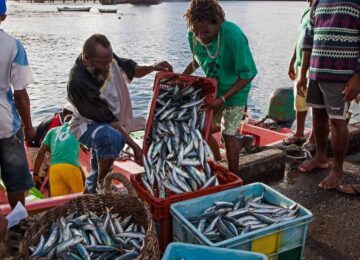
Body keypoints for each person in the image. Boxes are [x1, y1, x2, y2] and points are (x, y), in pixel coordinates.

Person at [67, 34, 173, 193]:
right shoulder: (78, 83)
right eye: (104, 63)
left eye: (110, 61)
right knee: (111, 138)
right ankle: (102, 185)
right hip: (87, 125)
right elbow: (110, 122)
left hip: (111, 122)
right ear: (87, 59)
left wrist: (153, 66)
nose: (109, 66)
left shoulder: (106, 58)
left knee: (103, 153)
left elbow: (133, 70)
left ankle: (92, 190)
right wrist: (135, 147)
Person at [183, 0, 257, 174]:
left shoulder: (233, 36)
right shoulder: (193, 35)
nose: (201, 36)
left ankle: (233, 177)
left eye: (205, 31)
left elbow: (249, 74)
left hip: (235, 89)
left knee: (228, 134)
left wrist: (223, 99)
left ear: (217, 22)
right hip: (213, 89)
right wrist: (183, 76)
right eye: (196, 31)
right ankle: (217, 163)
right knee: (202, 128)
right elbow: (198, 59)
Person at [297, 0, 360, 189]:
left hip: (342, 75)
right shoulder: (318, 2)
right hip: (316, 72)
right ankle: (321, 157)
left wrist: (357, 77)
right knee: (317, 115)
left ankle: (338, 170)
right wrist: (302, 73)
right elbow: (309, 37)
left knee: (337, 121)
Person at [0, 0, 35, 209]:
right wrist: (29, 127)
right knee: (15, 182)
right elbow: (20, 93)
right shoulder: (13, 45)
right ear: (3, 16)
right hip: (5, 125)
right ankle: (17, 224)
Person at [284, 0, 315, 148]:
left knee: (317, 103)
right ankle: (299, 133)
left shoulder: (321, 10)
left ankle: (314, 137)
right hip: (300, 65)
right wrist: (292, 61)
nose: (308, 1)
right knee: (299, 100)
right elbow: (300, 38)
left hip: (314, 65)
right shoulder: (305, 12)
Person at [32, 116, 84, 197]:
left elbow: (41, 153)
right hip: (72, 168)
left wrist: (35, 174)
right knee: (81, 197)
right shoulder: (78, 130)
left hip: (54, 169)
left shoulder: (52, 130)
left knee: (57, 201)